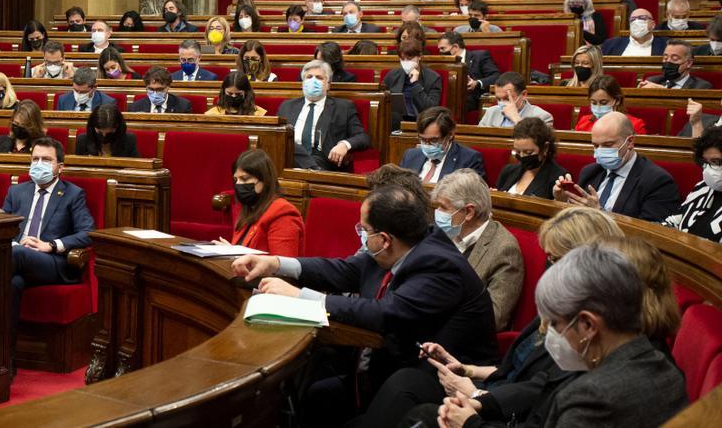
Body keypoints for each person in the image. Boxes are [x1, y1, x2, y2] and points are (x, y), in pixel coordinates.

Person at [232, 185, 496, 426]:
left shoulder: (439, 265)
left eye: (363, 229)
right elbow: (344, 270)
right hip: (383, 366)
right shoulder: (402, 245)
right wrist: (276, 263)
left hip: (435, 383)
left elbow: (386, 313)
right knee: (314, 398)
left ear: (385, 239)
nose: (360, 235)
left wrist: (299, 296)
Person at [360, 207, 623, 428]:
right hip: (495, 388)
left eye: (556, 259)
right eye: (549, 258)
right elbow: (517, 370)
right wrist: (465, 368)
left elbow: (539, 393)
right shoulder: (558, 307)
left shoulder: (587, 329)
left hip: (510, 412)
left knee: (421, 410)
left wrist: (475, 396)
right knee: (407, 378)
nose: (549, 267)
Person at [434, 245, 686, 428]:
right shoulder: (661, 367)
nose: (549, 333)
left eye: (555, 324)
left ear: (588, 324)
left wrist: (469, 425)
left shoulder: (590, 398)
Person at [4, 137, 95, 331]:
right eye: (35, 159)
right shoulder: (16, 192)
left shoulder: (73, 194)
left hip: (53, 262)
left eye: (46, 160)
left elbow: (88, 232)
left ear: (60, 167)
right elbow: (2, 227)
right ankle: (4, 357)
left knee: (16, 254)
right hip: (17, 258)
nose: (39, 164)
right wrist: (12, 243)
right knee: (14, 283)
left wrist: (50, 245)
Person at [432, 169, 524, 331]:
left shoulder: (504, 250)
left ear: (469, 212)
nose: (437, 213)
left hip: (458, 340)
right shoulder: (442, 234)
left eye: (443, 207)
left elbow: (495, 317)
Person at [553, 111, 680, 222]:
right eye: (596, 146)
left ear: (630, 142)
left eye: (608, 145)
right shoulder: (590, 172)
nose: (600, 151)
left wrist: (599, 214)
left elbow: (651, 235)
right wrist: (564, 202)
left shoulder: (657, 181)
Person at [279, 60, 371, 172]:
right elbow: (277, 136)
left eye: (319, 77)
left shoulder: (344, 107)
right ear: (303, 83)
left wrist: (344, 145)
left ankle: (313, 169)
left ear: (328, 85)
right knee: (290, 145)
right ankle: (313, 170)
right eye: (309, 77)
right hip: (289, 156)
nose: (313, 81)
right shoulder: (287, 105)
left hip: (324, 158)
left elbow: (363, 138)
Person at [210, 149, 303, 256]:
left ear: (264, 180)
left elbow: (282, 266)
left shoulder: (283, 212)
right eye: (236, 180)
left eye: (245, 179)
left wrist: (232, 253)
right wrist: (230, 251)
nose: (239, 184)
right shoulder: (247, 209)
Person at [663, 126, 722, 241]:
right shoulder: (703, 187)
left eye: (716, 162)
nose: (710, 169)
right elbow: (676, 220)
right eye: (706, 162)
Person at [401, 106, 487, 184]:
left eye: (434, 140)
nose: (427, 145)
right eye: (423, 139)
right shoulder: (410, 156)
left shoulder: (469, 160)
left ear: (450, 134)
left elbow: (471, 196)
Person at [496, 117, 568, 199]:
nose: (522, 156)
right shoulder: (508, 171)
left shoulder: (558, 177)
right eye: (518, 152)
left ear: (545, 148)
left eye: (528, 152)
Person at [383, 39, 443, 129]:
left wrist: (415, 84)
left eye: (410, 58)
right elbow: (382, 98)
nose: (406, 62)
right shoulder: (392, 75)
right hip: (395, 119)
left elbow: (431, 108)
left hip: (420, 119)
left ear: (419, 56)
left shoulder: (433, 78)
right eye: (402, 59)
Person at [439, 31, 500, 114]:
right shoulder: (441, 62)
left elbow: (496, 76)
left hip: (472, 97)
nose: (440, 52)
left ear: (455, 47)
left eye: (443, 48)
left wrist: (477, 83)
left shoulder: (480, 56)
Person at [573, 76, 648, 134]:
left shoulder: (635, 125)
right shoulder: (583, 122)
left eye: (604, 103)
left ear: (617, 100)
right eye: (594, 103)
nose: (598, 107)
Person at [478, 72, 555, 127]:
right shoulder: (491, 112)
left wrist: (516, 118)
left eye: (507, 98)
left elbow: (538, 145)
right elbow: (478, 141)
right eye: (498, 99)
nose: (501, 103)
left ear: (524, 95)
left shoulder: (542, 117)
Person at [639, 39, 713, 89]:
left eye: (674, 59)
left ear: (689, 63)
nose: (668, 62)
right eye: (665, 58)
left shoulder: (701, 86)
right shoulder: (652, 80)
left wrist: (663, 90)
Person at [601, 8, 666, 56]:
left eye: (642, 18)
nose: (636, 22)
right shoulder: (610, 44)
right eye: (632, 19)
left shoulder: (665, 45)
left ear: (653, 24)